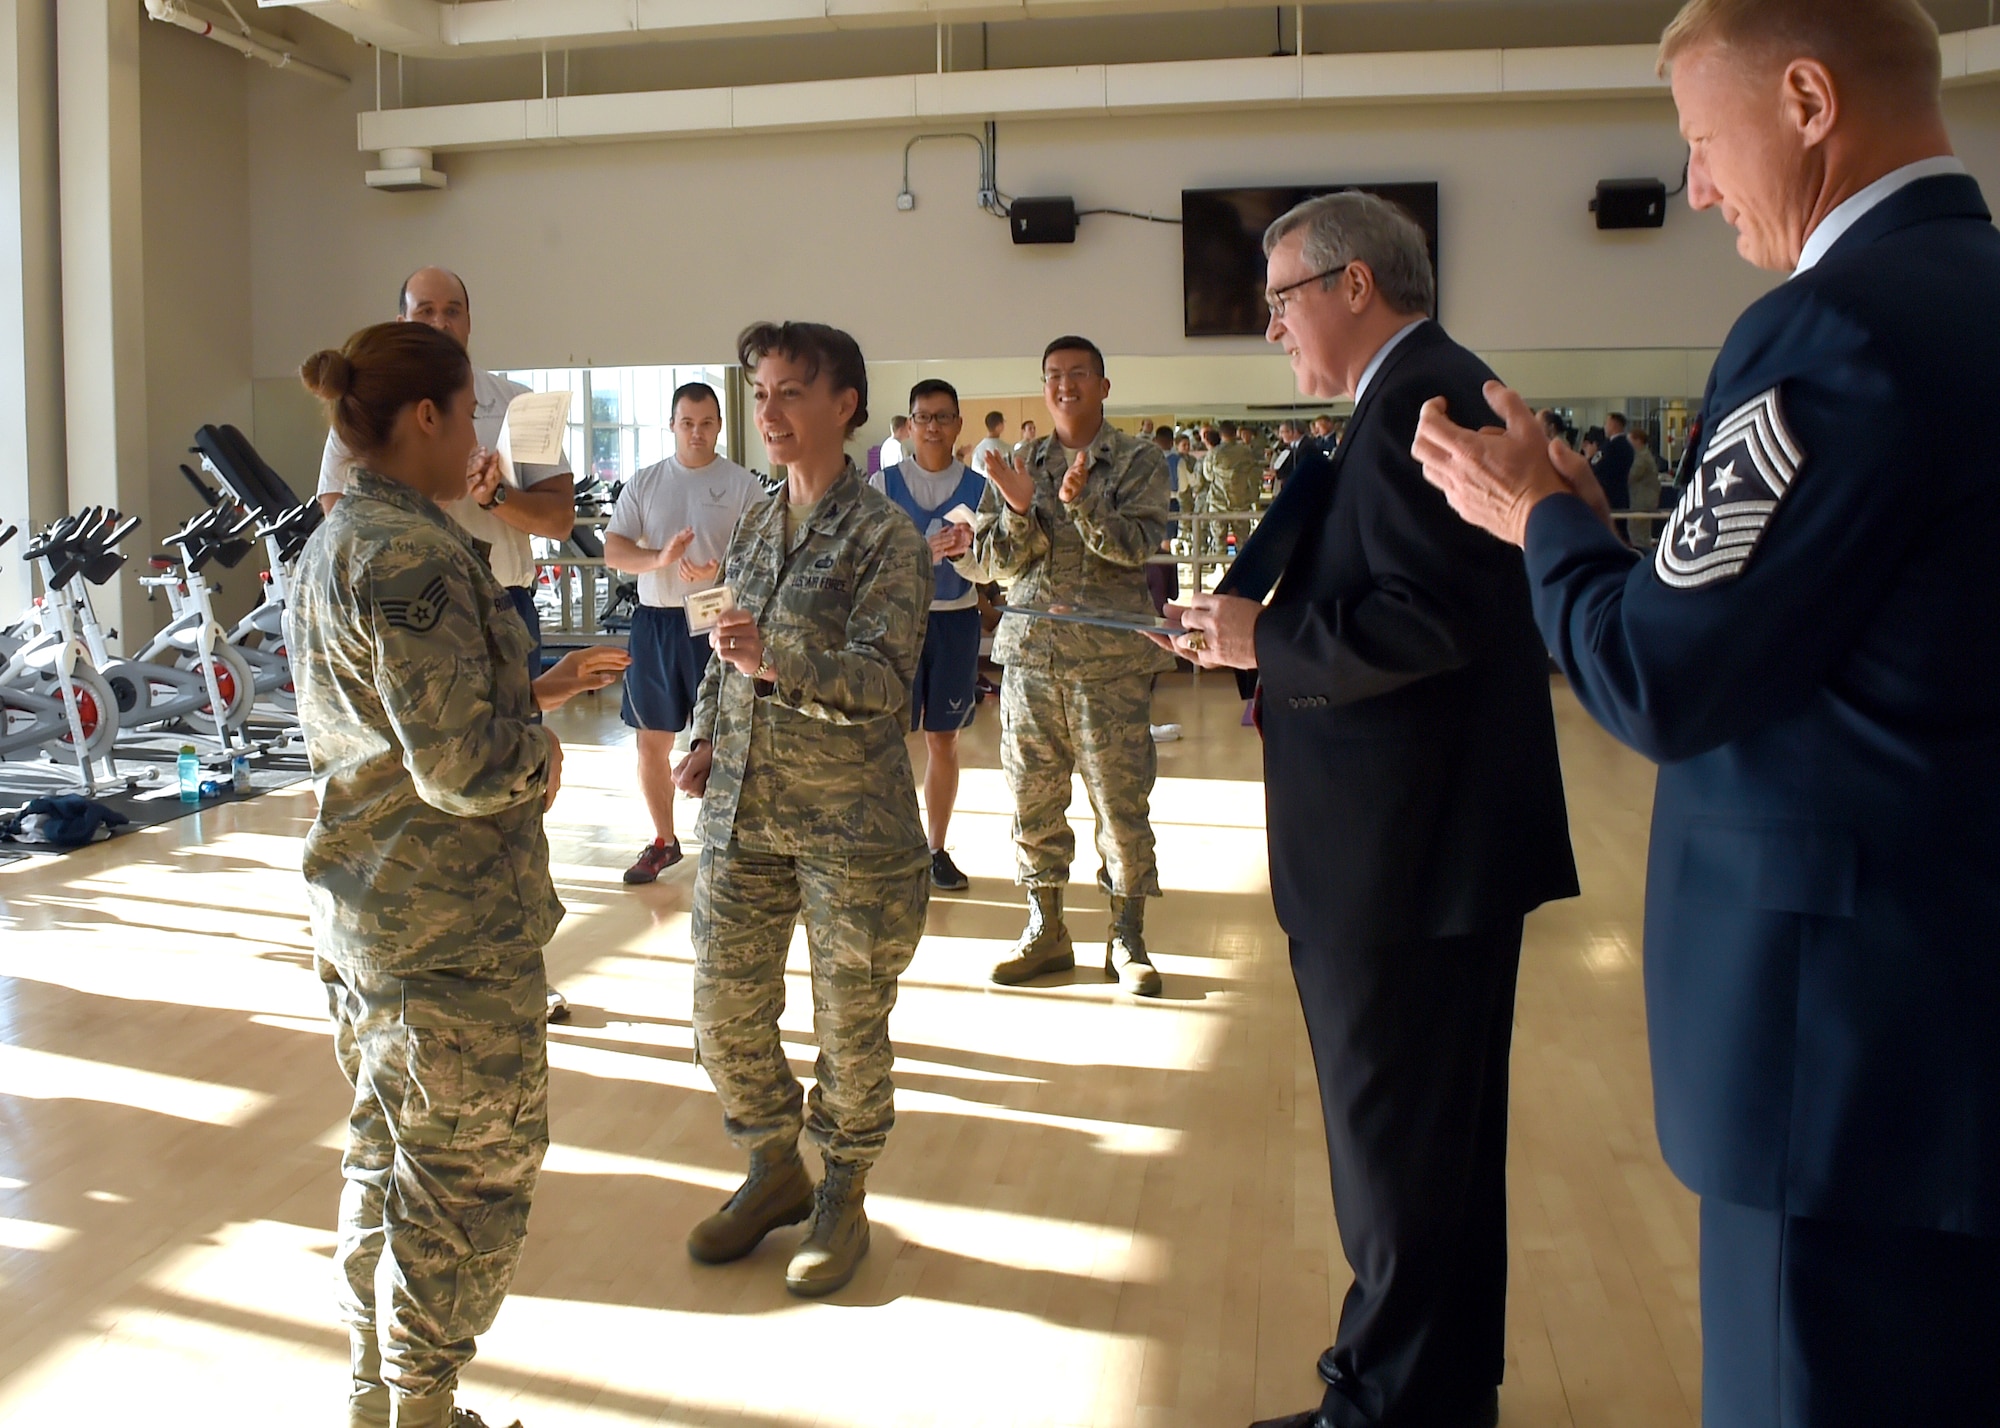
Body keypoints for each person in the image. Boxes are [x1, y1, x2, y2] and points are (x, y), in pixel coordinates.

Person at [1412, 2, 2000, 1423]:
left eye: (1700, 138)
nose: (1697, 186)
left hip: (1843, 1065)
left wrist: (1542, 518)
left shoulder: (1835, 329)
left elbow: (1661, 676)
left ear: (1807, 100)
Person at [1162, 191, 1578, 1428]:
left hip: (1403, 858)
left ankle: (1391, 1406)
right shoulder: (1412, 393)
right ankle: (1429, 1391)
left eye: (1281, 298)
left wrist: (1260, 635)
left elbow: (1431, 620)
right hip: (1420, 848)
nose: (1271, 326)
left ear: (1354, 286)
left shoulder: (1416, 401)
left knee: (1396, 1153)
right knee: (1431, 1155)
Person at [293, 321, 582, 1428]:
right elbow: (462, 765)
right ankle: (419, 1404)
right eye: (465, 414)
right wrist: (541, 751)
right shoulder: (409, 554)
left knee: (391, 1161)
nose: (473, 436)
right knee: (468, 1178)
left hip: (373, 912)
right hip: (442, 932)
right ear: (425, 417)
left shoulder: (342, 539)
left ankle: (383, 1395)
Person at [671, 321, 931, 1299]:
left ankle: (842, 1192)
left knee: (849, 1024)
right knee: (720, 1014)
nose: (768, 413)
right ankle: (772, 1166)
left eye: (789, 393)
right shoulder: (751, 521)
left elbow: (880, 679)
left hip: (846, 827)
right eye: (761, 393)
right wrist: (704, 734)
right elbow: (719, 642)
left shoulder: (884, 538)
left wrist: (774, 664)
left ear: (844, 405)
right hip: (742, 809)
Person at [966, 336, 1176, 998]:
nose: (1064, 385)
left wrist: (1082, 504)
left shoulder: (1138, 460)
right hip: (1029, 662)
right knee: (1033, 801)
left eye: (1078, 375)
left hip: (1108, 667)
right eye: (1053, 375)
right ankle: (1046, 929)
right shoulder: (1017, 462)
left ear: (1103, 386)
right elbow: (995, 565)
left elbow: (1140, 548)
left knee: (1120, 802)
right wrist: (1022, 507)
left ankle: (1127, 936)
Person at [317, 267, 576, 674]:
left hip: (502, 598)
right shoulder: (369, 405)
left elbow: (561, 520)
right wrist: (422, 495)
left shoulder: (514, 402)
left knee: (516, 725)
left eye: (453, 310)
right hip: (409, 597)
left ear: (469, 321)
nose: (440, 323)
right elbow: (339, 512)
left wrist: (495, 496)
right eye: (426, 311)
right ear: (401, 323)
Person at [603, 381, 762, 884]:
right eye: (687, 422)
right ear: (672, 425)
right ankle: (663, 840)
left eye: (707, 423)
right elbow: (613, 551)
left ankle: (728, 840)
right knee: (651, 739)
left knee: (724, 738)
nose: (697, 432)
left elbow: (766, 556)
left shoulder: (742, 485)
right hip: (657, 622)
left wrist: (724, 574)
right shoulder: (647, 483)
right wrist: (661, 559)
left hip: (718, 621)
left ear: (719, 426)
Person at [870, 378, 987, 892]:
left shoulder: (982, 490)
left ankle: (936, 848)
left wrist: (965, 554)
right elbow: (870, 564)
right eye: (923, 417)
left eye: (943, 417)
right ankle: (891, 844)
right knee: (889, 738)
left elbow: (993, 569)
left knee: (944, 738)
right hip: (900, 621)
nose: (933, 426)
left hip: (956, 619)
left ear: (958, 424)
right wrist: (923, 552)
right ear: (909, 425)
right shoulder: (883, 485)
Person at [1625, 423, 1662, 549]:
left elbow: (1632, 475)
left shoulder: (1642, 457)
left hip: (1642, 500)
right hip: (1644, 499)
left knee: (1638, 533)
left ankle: (1642, 555)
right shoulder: (1644, 455)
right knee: (1641, 533)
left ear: (1638, 440)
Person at [1268, 418, 1305, 493]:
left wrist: (1278, 473)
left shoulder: (1305, 447)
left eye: (1282, 432)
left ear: (1293, 432)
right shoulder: (1291, 447)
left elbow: (1298, 469)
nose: (1280, 435)